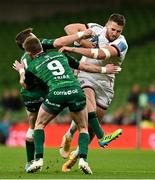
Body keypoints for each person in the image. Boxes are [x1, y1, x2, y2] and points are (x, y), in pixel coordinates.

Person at [14, 32, 120, 174]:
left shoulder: (31, 63)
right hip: (71, 90)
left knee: (36, 126)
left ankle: (35, 160)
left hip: (43, 92)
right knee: (83, 125)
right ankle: (85, 156)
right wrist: (103, 68)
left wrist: (21, 71)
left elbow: (25, 84)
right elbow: (77, 61)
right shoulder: (58, 54)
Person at [59, 13, 128, 172]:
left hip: (105, 80)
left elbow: (101, 54)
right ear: (106, 25)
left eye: (118, 31)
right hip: (85, 73)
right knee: (88, 103)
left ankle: (76, 154)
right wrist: (83, 39)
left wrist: (76, 47)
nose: (115, 33)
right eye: (113, 29)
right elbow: (69, 28)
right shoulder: (95, 29)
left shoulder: (122, 43)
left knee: (91, 125)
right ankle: (82, 136)